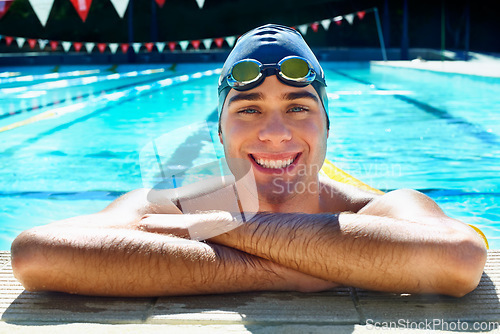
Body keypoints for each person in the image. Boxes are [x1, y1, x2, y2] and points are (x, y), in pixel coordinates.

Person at [11, 24, 486, 298]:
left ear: (327, 126)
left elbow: (459, 260)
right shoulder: (178, 200)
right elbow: (37, 255)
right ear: (219, 130)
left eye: (298, 107)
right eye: (249, 109)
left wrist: (222, 229)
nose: (275, 134)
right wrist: (300, 268)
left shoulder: (377, 208)